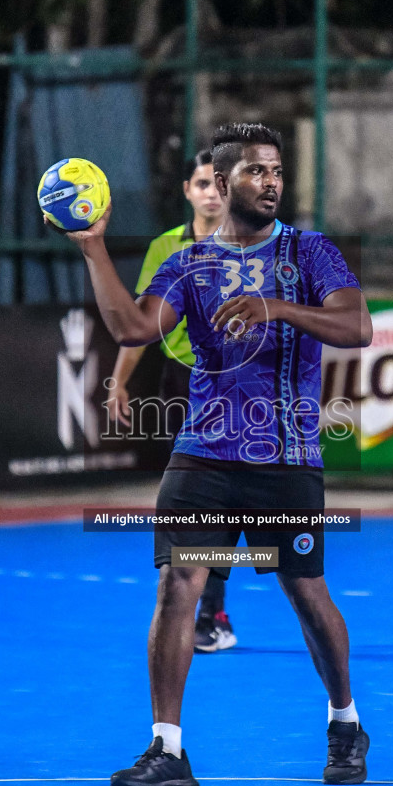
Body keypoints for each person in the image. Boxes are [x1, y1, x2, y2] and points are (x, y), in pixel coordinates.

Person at [72, 122, 374, 786]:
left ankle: (345, 722)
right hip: (203, 449)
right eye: (255, 172)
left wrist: (278, 309)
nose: (270, 182)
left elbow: (358, 328)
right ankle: (168, 750)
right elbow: (132, 328)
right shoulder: (188, 262)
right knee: (179, 584)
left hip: (285, 453)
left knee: (304, 591)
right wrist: (93, 250)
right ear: (222, 179)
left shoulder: (310, 253)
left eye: (276, 172)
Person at [104, 151, 238, 654]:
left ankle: (213, 609)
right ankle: (194, 598)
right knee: (190, 501)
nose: (210, 192)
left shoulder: (249, 242)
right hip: (179, 382)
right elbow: (143, 324)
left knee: (223, 501)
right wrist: (118, 382)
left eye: (217, 184)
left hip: (230, 384)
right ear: (187, 190)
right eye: (201, 183)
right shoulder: (166, 246)